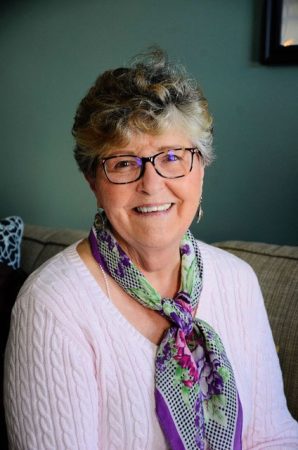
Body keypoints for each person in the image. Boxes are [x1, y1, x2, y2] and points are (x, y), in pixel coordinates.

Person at [4, 48, 298, 449]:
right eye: (124, 163)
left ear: (201, 168)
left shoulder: (238, 280)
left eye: (173, 156)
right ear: (93, 180)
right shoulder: (51, 306)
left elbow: (274, 436)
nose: (152, 184)